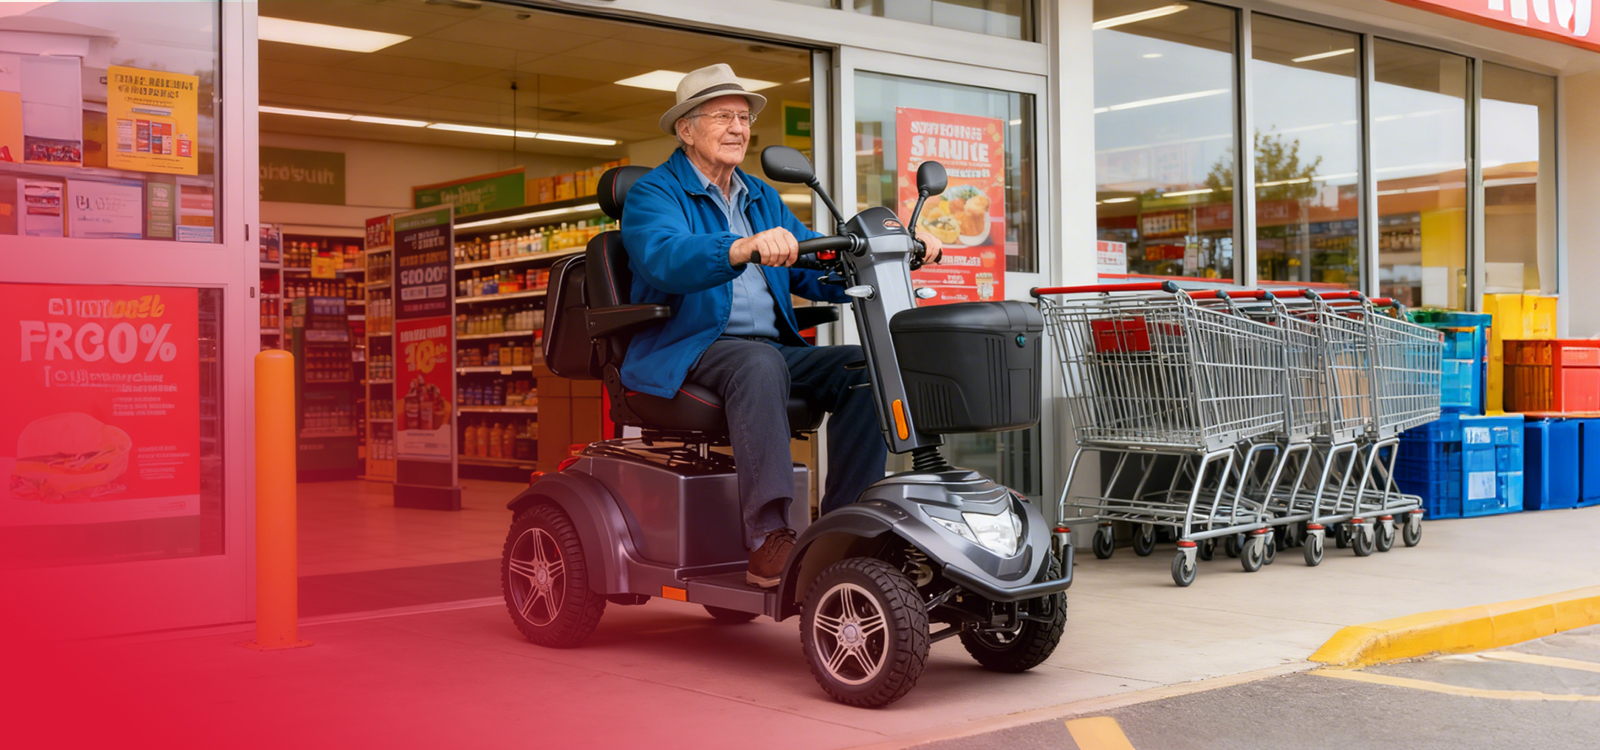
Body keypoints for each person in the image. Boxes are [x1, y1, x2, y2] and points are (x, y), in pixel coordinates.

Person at [620, 64, 943, 587]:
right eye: (722, 116)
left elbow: (812, 265)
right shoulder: (655, 193)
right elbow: (665, 257)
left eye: (744, 118)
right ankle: (767, 535)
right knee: (758, 360)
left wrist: (895, 258)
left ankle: (845, 528)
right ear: (686, 128)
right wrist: (739, 247)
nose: (737, 128)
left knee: (865, 367)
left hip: (765, 351)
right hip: (691, 346)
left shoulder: (760, 196)